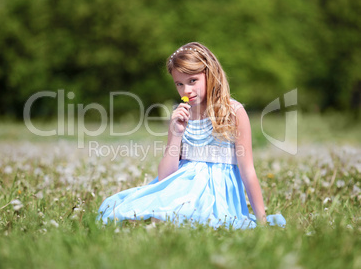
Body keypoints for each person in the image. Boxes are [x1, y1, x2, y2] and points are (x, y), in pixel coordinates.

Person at [97, 42, 286, 229]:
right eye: (179, 84)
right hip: (180, 187)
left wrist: (261, 219)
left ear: (210, 75)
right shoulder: (181, 115)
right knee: (136, 214)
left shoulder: (234, 112)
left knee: (180, 219)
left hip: (217, 194)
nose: (186, 90)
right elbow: (165, 176)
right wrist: (177, 133)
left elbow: (247, 170)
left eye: (192, 81)